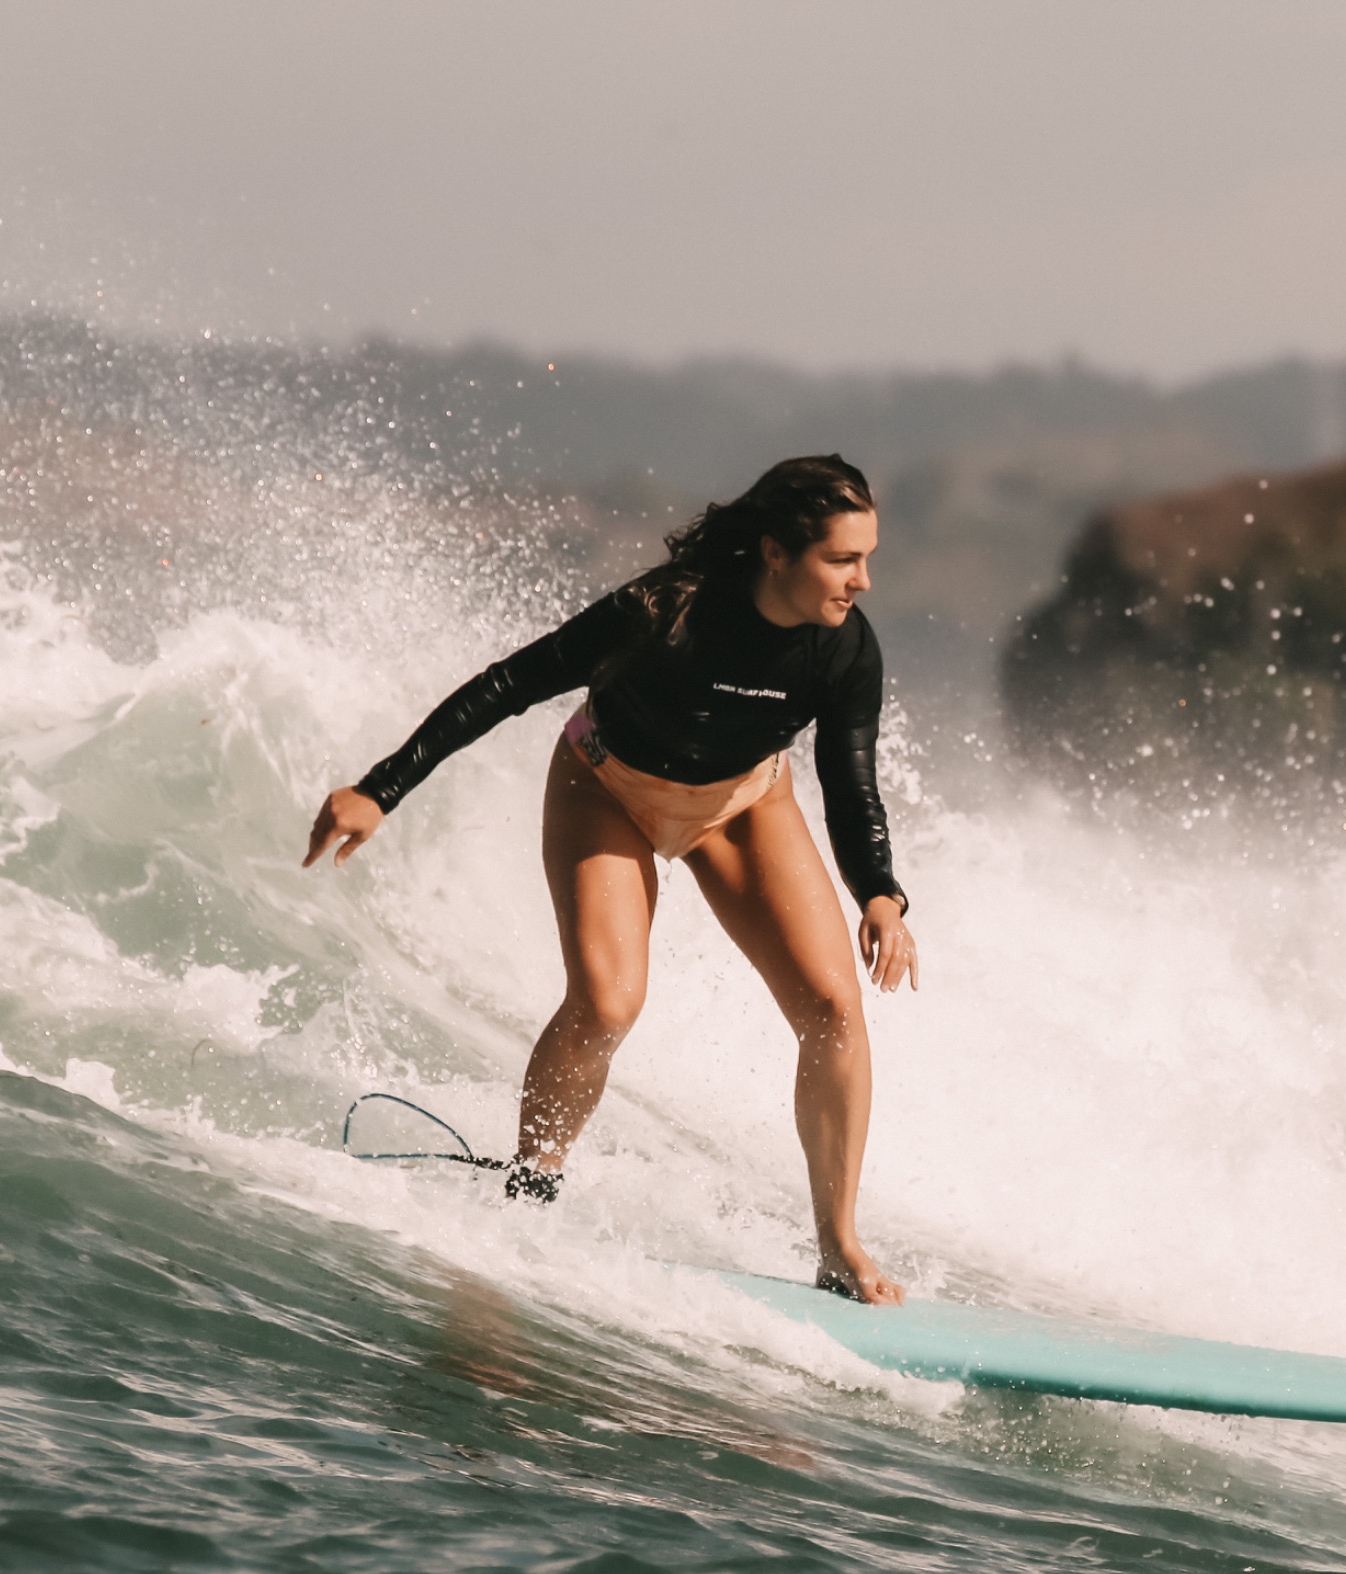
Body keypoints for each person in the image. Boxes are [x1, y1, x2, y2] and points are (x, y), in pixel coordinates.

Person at [303, 454, 916, 1304]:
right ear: (777, 552)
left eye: (867, 558)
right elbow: (509, 684)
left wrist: (880, 892)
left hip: (741, 802)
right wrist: (381, 788)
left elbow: (852, 781)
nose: (863, 580)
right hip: (609, 785)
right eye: (843, 560)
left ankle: (838, 1246)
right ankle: (532, 1184)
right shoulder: (664, 611)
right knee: (607, 1001)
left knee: (834, 1009)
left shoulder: (844, 649)